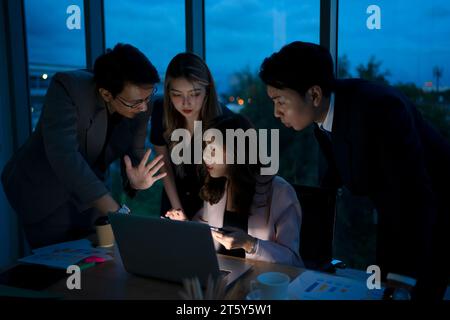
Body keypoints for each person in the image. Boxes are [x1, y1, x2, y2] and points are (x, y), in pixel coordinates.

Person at [259, 41, 450, 299]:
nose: (276, 112)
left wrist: (403, 278)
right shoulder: (323, 116)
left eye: (280, 101)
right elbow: (336, 172)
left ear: (314, 95)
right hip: (393, 209)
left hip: (435, 212)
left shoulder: (380, 110)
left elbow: (415, 199)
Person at [1, 43, 166, 249]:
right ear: (107, 94)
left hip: (92, 192)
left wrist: (135, 183)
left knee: (102, 259)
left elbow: (134, 154)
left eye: (148, 97)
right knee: (59, 267)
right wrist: (118, 215)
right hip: (44, 191)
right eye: (136, 102)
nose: (144, 107)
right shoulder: (68, 87)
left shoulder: (141, 101)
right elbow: (64, 156)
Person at [166, 114, 303, 267]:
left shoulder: (280, 191)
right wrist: (185, 225)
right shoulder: (216, 186)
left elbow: (293, 261)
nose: (205, 157)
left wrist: (250, 244)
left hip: (260, 283)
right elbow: (206, 236)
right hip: (221, 276)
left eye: (213, 150)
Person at [150, 52, 232, 219]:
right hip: (174, 200)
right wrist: (178, 209)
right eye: (177, 94)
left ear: (207, 91)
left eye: (194, 94)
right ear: (168, 92)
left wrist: (202, 216)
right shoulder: (161, 111)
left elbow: (227, 180)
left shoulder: (224, 121)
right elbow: (164, 164)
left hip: (214, 202)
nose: (186, 103)